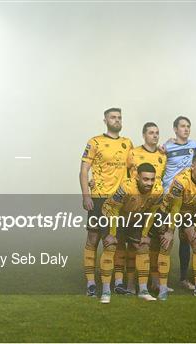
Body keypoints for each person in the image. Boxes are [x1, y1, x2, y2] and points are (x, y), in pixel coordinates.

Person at [79, 107, 133, 300]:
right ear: (105, 120)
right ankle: (91, 283)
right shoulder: (95, 142)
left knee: (117, 241)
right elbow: (84, 170)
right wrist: (86, 195)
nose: (117, 120)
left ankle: (118, 283)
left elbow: (133, 171)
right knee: (93, 240)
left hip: (119, 201)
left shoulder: (128, 143)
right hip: (99, 198)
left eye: (119, 117)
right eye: (113, 117)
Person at [153, 153, 196, 300]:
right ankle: (162, 288)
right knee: (166, 244)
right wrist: (169, 231)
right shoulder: (181, 181)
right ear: (192, 167)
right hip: (168, 212)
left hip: (188, 212)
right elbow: (175, 209)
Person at [115, 122, 166, 294]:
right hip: (133, 204)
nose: (155, 135)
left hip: (154, 202)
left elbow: (164, 177)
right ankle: (128, 283)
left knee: (155, 242)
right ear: (144, 134)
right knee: (130, 243)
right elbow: (124, 173)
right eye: (151, 132)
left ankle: (154, 280)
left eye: (157, 133)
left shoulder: (162, 154)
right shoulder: (134, 153)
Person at [101, 163, 163, 302]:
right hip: (112, 215)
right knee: (110, 246)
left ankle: (143, 290)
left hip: (134, 216)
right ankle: (106, 291)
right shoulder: (126, 187)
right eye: (146, 179)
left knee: (143, 246)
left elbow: (152, 214)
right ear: (137, 177)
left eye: (152, 179)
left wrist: (145, 235)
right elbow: (114, 210)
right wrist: (112, 234)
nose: (150, 183)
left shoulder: (158, 190)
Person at [162, 116, 196, 290]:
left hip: (187, 201)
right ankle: (160, 280)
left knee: (186, 239)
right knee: (164, 240)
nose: (186, 129)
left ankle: (184, 278)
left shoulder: (195, 146)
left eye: (188, 126)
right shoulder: (166, 147)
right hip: (168, 199)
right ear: (175, 129)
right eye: (182, 126)